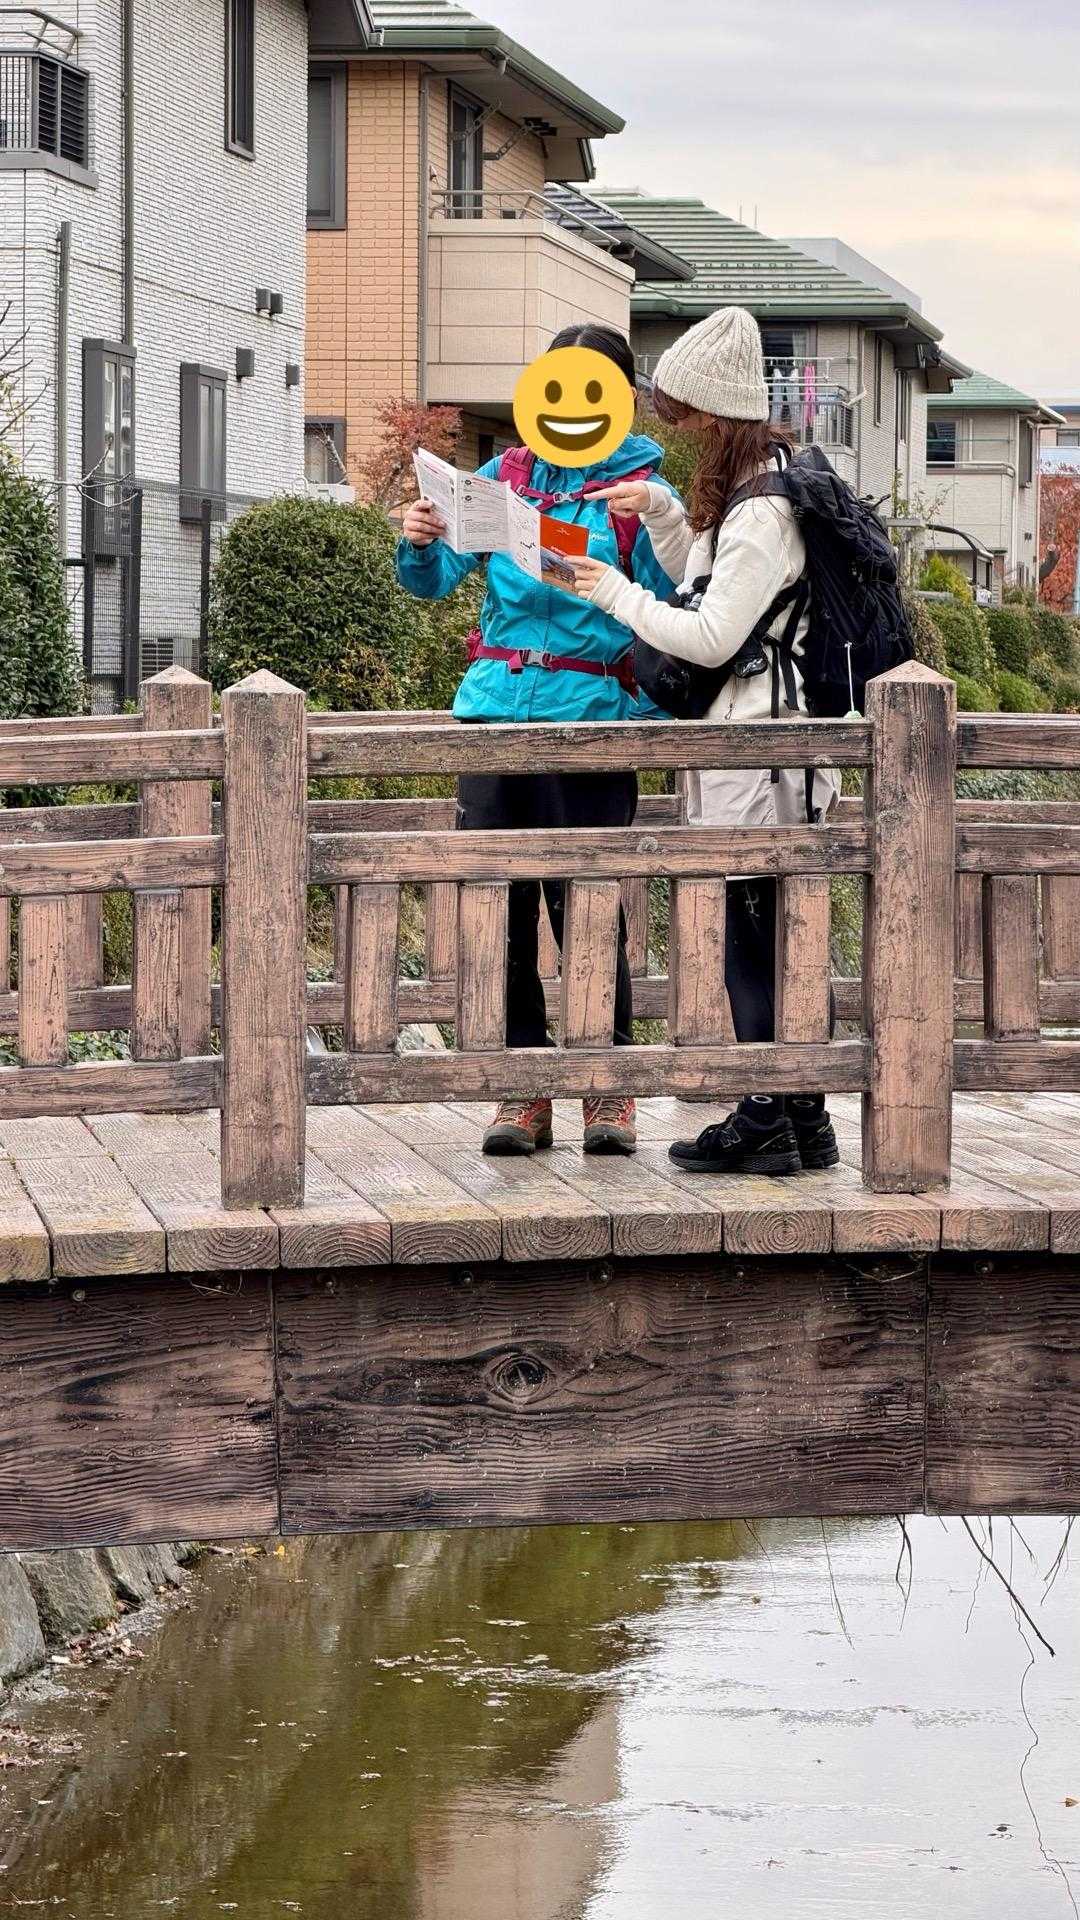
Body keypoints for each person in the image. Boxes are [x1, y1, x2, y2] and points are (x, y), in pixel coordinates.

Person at [563, 306, 841, 1177]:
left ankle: (765, 1113)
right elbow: (707, 576)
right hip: (771, 749)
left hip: (761, 748)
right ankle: (802, 1112)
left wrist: (612, 591)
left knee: (752, 933)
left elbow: (713, 634)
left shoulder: (761, 513)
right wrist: (659, 512)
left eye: (687, 421)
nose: (680, 437)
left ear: (720, 418)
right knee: (780, 934)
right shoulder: (766, 489)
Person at [395, 324, 678, 1158]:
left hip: (590, 715)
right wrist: (419, 541)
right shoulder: (500, 479)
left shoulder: (640, 495)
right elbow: (435, 582)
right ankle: (522, 1089)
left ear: (620, 400)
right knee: (501, 904)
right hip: (494, 712)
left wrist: (646, 531)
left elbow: (672, 601)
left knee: (587, 903)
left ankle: (606, 1086)